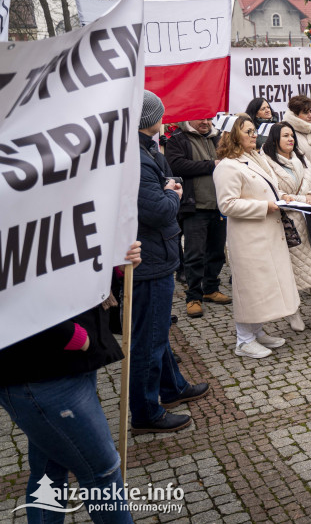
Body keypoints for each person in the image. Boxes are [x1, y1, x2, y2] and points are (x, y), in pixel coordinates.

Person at [0, 243, 144, 522]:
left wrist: (114, 266)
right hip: (38, 369)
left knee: (49, 469)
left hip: (62, 361)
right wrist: (68, 334)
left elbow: (61, 259)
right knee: (102, 471)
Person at [131, 91, 207, 434]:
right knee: (148, 339)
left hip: (158, 254)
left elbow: (165, 180)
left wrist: (167, 186)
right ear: (151, 118)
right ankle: (146, 413)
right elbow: (159, 209)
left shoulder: (148, 148)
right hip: (148, 259)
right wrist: (172, 193)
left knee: (157, 331)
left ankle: (172, 387)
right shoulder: (136, 156)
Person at [213, 115, 301, 358]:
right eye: (248, 131)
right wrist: (266, 207)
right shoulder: (227, 166)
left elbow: (266, 189)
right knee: (250, 287)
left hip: (266, 234)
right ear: (233, 136)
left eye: (254, 130)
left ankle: (257, 331)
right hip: (248, 237)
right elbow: (227, 205)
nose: (254, 134)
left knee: (263, 286)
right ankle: (243, 340)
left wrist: (283, 197)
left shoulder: (253, 158)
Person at [263, 122, 311, 328]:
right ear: (275, 140)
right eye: (285, 136)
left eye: (292, 135)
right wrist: (301, 199)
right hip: (288, 225)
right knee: (292, 269)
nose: (290, 139)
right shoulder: (268, 163)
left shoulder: (302, 158)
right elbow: (275, 193)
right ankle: (293, 313)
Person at [165, 117, 228, 319]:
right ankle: (193, 297)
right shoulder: (178, 139)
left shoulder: (218, 138)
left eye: (209, 118)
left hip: (218, 207)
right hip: (195, 207)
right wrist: (213, 164)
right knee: (195, 255)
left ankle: (210, 288)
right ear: (190, 118)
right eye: (201, 118)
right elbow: (176, 166)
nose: (206, 122)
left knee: (217, 252)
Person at [282, 94, 311, 160]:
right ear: (295, 115)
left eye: (310, 111)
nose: (310, 116)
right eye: (305, 113)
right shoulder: (287, 133)